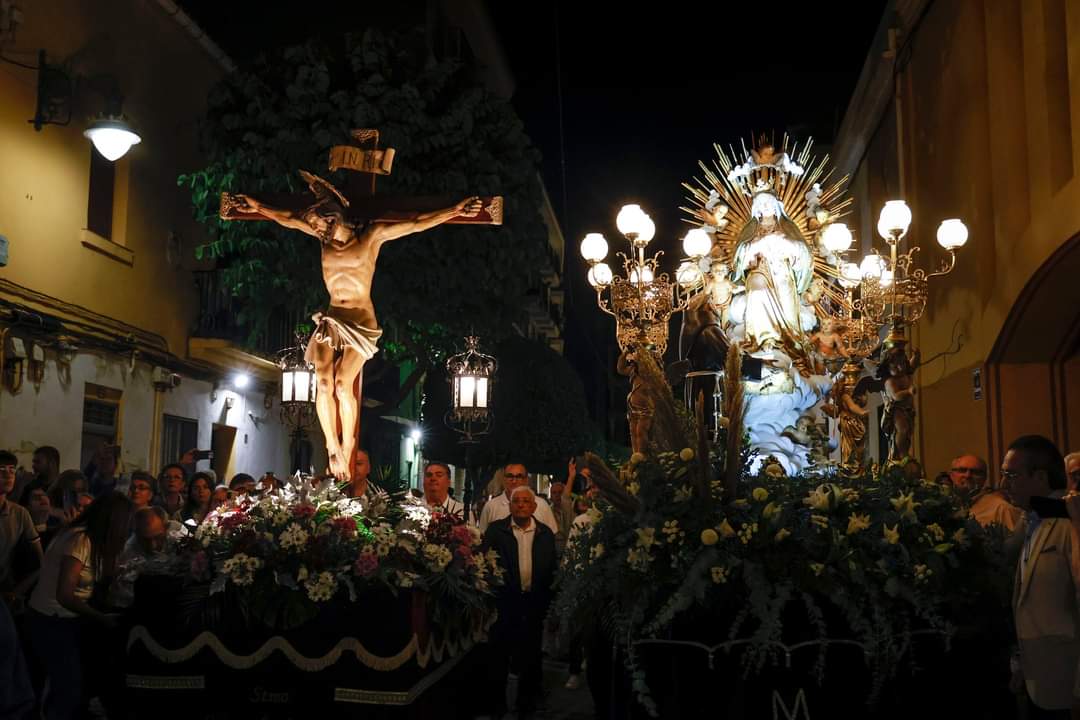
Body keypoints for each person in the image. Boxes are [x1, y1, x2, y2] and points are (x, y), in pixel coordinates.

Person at [233, 176, 483, 482]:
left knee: (341, 384)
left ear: (338, 214)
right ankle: (332, 445)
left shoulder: (370, 237)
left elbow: (416, 222)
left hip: (361, 322)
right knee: (322, 384)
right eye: (317, 223)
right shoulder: (322, 236)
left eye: (325, 220)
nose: (320, 228)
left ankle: (349, 441)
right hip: (332, 318)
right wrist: (258, 206)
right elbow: (286, 218)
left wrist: (454, 211)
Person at [27, 493, 132, 719]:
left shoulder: (89, 538)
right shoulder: (80, 540)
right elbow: (65, 594)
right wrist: (101, 617)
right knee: (68, 686)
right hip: (52, 619)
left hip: (65, 619)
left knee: (73, 683)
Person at [1006, 435, 1080, 717]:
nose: (1004, 484)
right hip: (1039, 680)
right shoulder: (1033, 520)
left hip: (1066, 686)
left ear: (1039, 477)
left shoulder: (1070, 522)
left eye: (1011, 475)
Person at [483, 487, 558, 718]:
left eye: (527, 501)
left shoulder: (545, 533)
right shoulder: (497, 531)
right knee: (499, 656)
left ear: (534, 506)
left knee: (531, 656)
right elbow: (484, 563)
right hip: (505, 603)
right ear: (511, 505)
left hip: (533, 603)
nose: (522, 505)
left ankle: (526, 705)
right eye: (517, 501)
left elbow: (551, 569)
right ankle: (496, 705)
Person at [0, 450, 42, 606]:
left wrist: (16, 592)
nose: (8, 475)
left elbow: (40, 561)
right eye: (1, 470)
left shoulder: (19, 513)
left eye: (12, 470)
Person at [478, 463, 558, 534]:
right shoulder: (491, 507)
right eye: (510, 476)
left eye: (519, 476)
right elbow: (482, 537)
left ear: (526, 480)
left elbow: (551, 535)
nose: (514, 481)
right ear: (504, 479)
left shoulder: (541, 505)